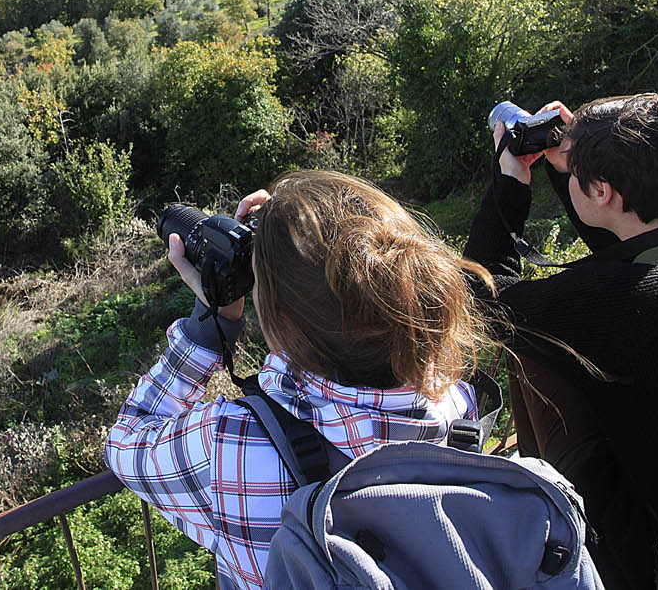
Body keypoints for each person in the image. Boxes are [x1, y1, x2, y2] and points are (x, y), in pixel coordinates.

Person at [462, 92, 658, 589]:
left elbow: (481, 296)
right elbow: (636, 251)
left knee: (539, 355)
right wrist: (579, 171)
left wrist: (510, 179)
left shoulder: (623, 305)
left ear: (601, 191)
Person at [105, 170, 489, 590]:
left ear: (283, 320)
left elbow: (126, 440)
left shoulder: (233, 443)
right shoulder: (453, 400)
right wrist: (287, 245)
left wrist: (212, 320)